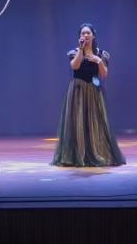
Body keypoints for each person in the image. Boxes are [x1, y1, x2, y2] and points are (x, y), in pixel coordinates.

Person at [51, 23, 126, 167]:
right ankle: (77, 155)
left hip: (93, 91)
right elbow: (75, 66)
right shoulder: (75, 52)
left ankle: (97, 153)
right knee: (77, 123)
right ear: (79, 37)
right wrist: (81, 49)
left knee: (95, 123)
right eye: (82, 33)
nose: (85, 35)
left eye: (88, 33)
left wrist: (98, 61)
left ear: (93, 35)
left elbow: (104, 74)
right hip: (77, 91)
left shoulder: (101, 54)